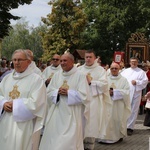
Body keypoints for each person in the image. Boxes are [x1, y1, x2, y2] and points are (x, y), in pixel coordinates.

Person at [39, 53, 90, 150]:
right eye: (61, 61)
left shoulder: (80, 76)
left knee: (68, 141)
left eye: (65, 60)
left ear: (72, 61)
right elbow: (48, 93)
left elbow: (85, 96)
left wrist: (69, 93)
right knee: (54, 139)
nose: (62, 63)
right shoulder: (57, 75)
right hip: (56, 113)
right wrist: (56, 92)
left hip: (72, 114)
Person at [0, 49, 47, 150]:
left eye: (20, 60)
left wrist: (15, 105)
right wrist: (3, 103)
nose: (16, 63)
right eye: (14, 60)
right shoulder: (6, 79)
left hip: (25, 125)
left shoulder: (36, 80)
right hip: (6, 123)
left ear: (28, 62)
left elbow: (37, 103)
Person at [78, 50, 112, 150]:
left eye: (90, 57)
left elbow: (105, 85)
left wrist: (91, 82)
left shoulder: (100, 70)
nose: (88, 59)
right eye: (86, 57)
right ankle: (79, 145)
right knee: (80, 123)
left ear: (94, 58)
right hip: (80, 101)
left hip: (94, 101)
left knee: (91, 124)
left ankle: (89, 146)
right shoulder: (79, 69)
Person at [98, 62, 131, 144]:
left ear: (119, 69)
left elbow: (127, 92)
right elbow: (100, 89)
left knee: (117, 119)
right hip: (106, 103)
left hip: (118, 105)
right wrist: (106, 92)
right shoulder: (105, 79)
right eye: (112, 68)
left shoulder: (123, 80)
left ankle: (117, 137)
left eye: (116, 68)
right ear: (110, 69)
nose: (114, 70)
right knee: (105, 120)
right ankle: (103, 137)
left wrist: (114, 92)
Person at [121, 57, 148, 135]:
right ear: (129, 62)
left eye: (135, 62)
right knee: (124, 109)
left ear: (137, 63)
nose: (133, 63)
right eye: (132, 62)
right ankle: (123, 126)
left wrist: (137, 82)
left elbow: (145, 81)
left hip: (136, 93)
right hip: (125, 93)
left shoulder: (141, 72)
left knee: (133, 110)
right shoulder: (125, 71)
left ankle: (130, 127)